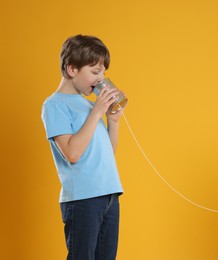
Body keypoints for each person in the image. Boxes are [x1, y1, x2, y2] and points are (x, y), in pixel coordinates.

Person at [41, 34, 125, 260]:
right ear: (71, 69)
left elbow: (107, 154)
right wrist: (97, 111)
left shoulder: (89, 105)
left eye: (103, 73)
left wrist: (113, 122)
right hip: (83, 199)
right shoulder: (54, 105)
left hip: (109, 194)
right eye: (95, 72)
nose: (101, 79)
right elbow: (73, 153)